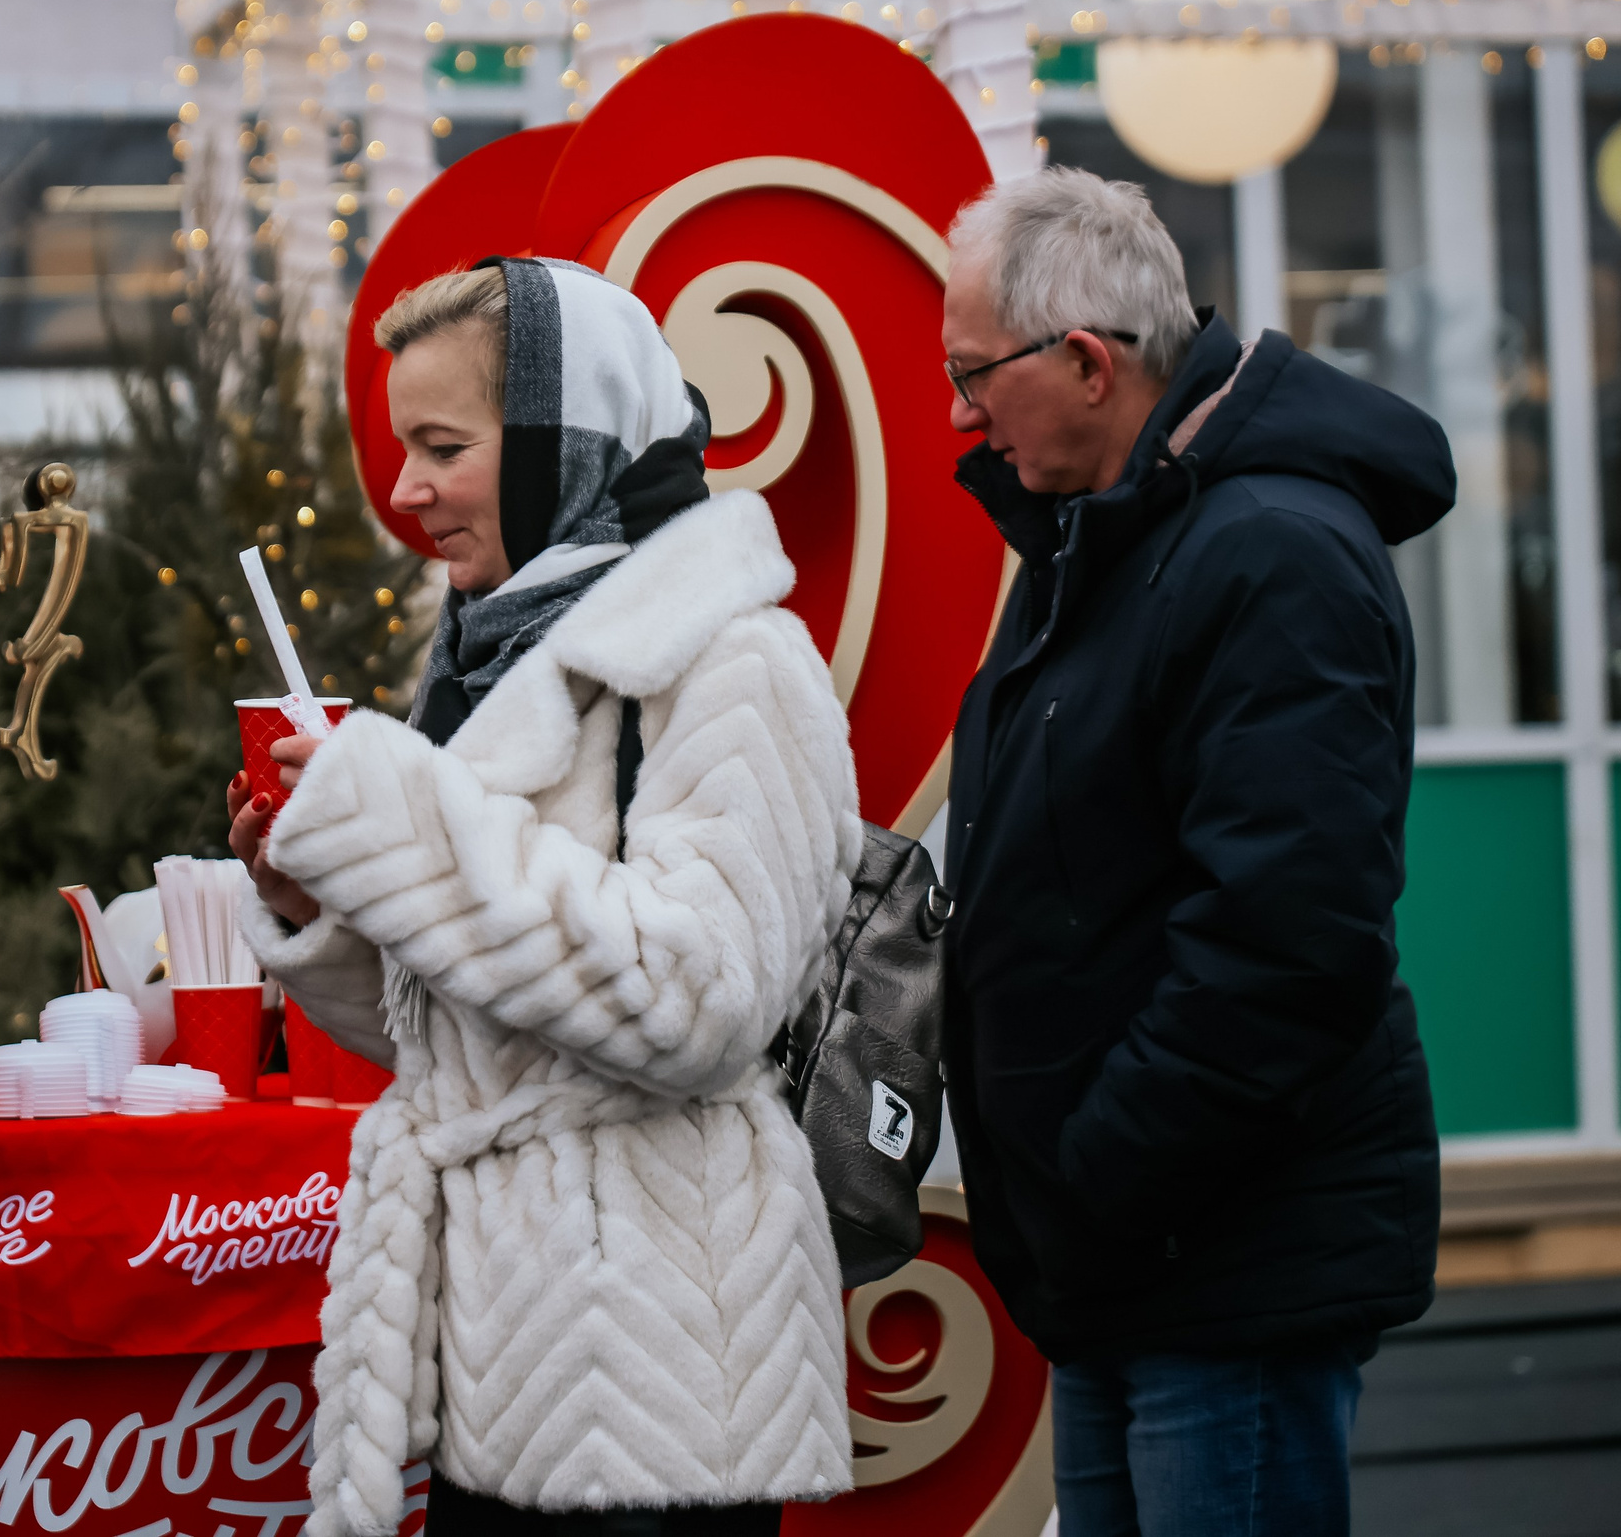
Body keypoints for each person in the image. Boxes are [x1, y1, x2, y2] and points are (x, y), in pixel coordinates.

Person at [229, 258, 860, 1537]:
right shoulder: (482, 655)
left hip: (664, 1368)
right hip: (504, 1362)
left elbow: (699, 1001)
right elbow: (452, 1035)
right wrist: (322, 901)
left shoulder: (733, 655)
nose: (405, 491)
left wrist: (401, 825)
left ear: (566, 447)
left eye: (441, 446)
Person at [938, 167, 1451, 1537]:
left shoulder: (1265, 549)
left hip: (1216, 1258)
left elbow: (1289, 941)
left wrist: (1099, 1168)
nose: (959, 414)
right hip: (1136, 1258)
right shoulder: (1112, 540)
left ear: (1089, 362)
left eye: (972, 374)